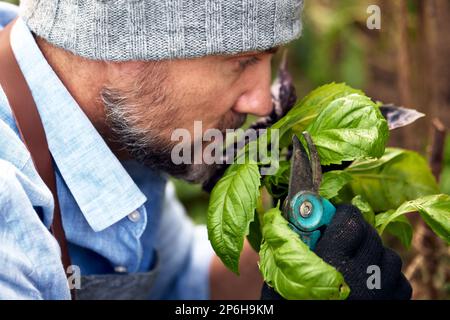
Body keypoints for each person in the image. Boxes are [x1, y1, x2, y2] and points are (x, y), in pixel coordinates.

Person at [0, 0, 411, 300]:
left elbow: (187, 285)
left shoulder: (113, 121)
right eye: (241, 60)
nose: (262, 104)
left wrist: (306, 254)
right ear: (125, 48)